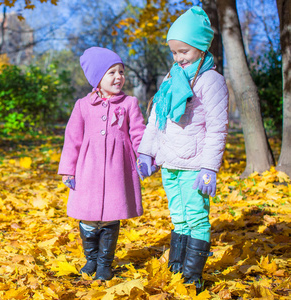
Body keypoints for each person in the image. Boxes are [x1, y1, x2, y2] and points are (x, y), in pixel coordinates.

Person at [136, 6, 229, 291]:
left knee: (196, 216)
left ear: (201, 49)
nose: (178, 58)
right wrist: (146, 152)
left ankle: (193, 276)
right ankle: (177, 268)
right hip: (170, 162)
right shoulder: (170, 78)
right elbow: (156, 119)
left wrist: (209, 168)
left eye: (184, 51)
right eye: (174, 52)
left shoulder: (211, 81)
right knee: (178, 216)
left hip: (195, 164)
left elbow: (217, 129)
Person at [58, 47, 146, 280]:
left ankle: (105, 263)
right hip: (88, 169)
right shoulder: (83, 105)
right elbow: (72, 139)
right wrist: (68, 169)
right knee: (87, 215)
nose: (119, 77)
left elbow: (138, 133)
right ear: (98, 78)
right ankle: (91, 260)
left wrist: (145, 156)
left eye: (121, 72)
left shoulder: (129, 103)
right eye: (112, 72)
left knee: (110, 215)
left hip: (118, 169)